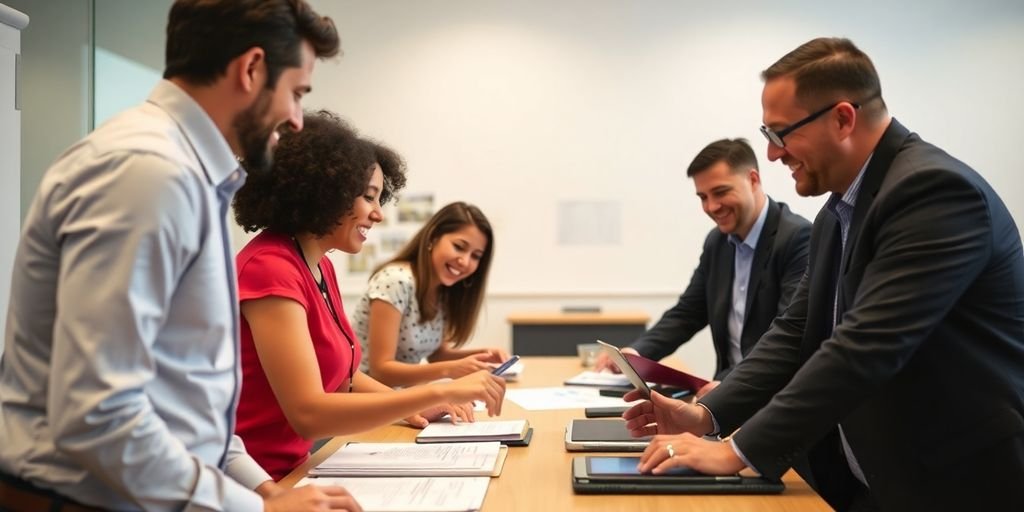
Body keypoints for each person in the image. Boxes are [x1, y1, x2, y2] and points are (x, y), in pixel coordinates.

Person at [623, 37, 1024, 511]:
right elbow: (796, 332)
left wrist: (735, 450)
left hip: (952, 486)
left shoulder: (933, 192)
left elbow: (863, 347)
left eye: (780, 134)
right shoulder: (838, 211)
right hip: (869, 480)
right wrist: (707, 415)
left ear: (842, 118)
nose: (772, 155)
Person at [0, 1, 362, 511]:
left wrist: (265, 490)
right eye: (297, 94)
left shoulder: (184, 172)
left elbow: (186, 397)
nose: (298, 120)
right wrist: (256, 509)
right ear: (252, 68)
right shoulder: (148, 173)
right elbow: (99, 413)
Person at [232, 110, 507, 480]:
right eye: (369, 197)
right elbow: (308, 414)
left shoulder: (318, 265)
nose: (378, 214)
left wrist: (413, 410)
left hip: (296, 469)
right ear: (324, 192)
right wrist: (436, 393)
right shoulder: (270, 268)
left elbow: (345, 376)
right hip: (256, 484)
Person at [594, 138, 811, 397]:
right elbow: (688, 312)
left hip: (774, 399)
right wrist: (637, 353)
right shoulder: (717, 242)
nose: (711, 207)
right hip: (727, 392)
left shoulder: (798, 239)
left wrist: (729, 386)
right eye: (703, 197)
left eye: (720, 192)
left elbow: (785, 338)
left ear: (753, 180)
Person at [351, 202, 507, 388]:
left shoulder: (444, 290)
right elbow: (381, 372)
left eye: (476, 256)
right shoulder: (394, 281)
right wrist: (450, 369)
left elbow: (437, 355)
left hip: (402, 397)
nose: (465, 261)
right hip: (367, 398)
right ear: (433, 237)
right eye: (459, 247)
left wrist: (483, 355)